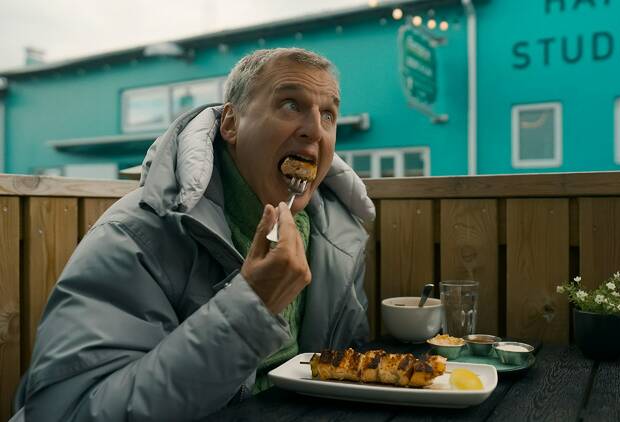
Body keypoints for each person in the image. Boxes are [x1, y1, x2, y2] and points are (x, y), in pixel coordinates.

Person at [12, 48, 374, 422]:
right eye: (289, 105)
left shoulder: (338, 241)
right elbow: (68, 413)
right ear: (230, 124)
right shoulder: (135, 235)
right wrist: (251, 307)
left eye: (328, 114)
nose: (315, 129)